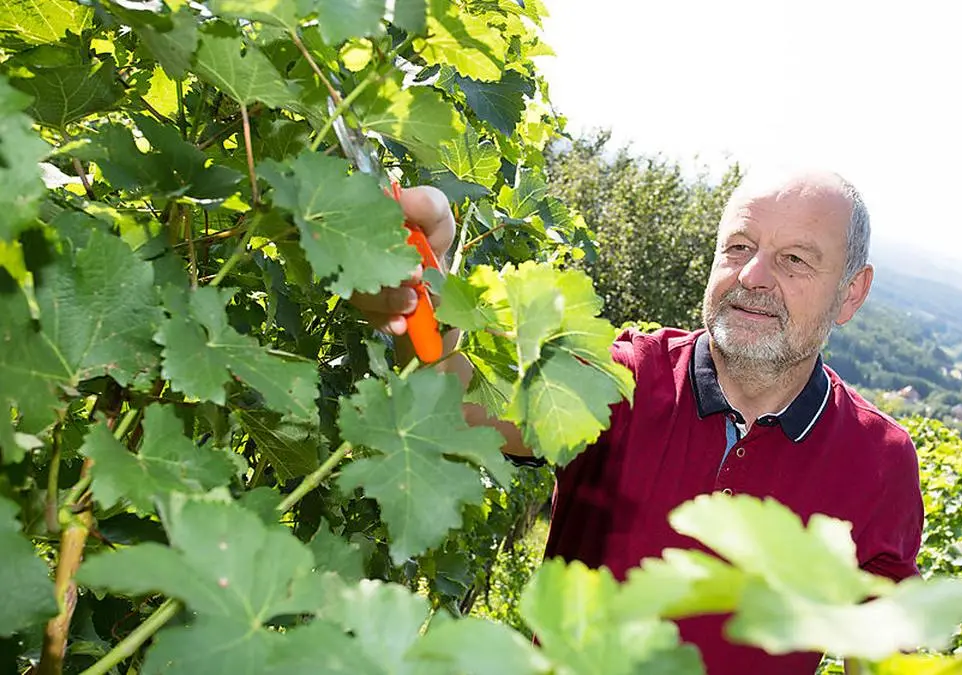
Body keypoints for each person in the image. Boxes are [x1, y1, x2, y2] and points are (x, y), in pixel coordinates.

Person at [351, 169, 925, 675]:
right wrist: (426, 293)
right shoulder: (624, 378)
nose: (752, 275)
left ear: (851, 294)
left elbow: (888, 656)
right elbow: (461, 398)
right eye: (738, 247)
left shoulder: (879, 460)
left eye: (794, 259)